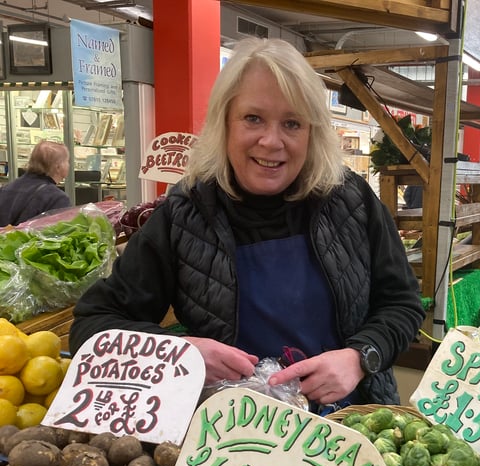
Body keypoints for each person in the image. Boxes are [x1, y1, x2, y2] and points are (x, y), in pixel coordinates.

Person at [69, 37, 425, 413]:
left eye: (292, 123)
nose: (272, 142)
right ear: (224, 122)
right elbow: (92, 326)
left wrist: (359, 357)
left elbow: (402, 304)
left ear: (312, 132)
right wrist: (179, 353)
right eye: (253, 118)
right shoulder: (185, 214)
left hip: (352, 427)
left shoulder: (351, 200)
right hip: (233, 440)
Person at [0, 140, 71, 226]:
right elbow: (57, 234)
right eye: (67, 161)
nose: (69, 165)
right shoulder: (57, 198)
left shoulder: (6, 188)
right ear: (58, 166)